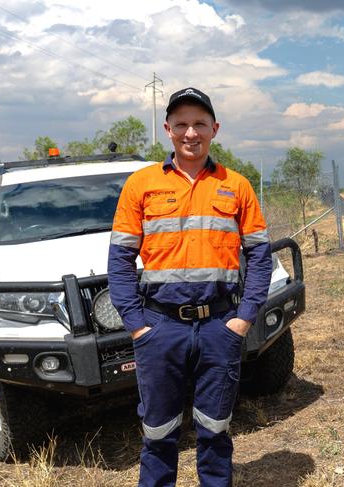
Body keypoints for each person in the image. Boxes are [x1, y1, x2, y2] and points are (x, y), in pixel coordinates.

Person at [107, 87, 273, 487]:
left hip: (219, 326)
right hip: (160, 328)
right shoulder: (140, 185)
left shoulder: (237, 185)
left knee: (215, 428)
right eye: (181, 124)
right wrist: (136, 324)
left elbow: (261, 256)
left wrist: (244, 319)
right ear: (168, 129)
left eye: (199, 123)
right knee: (159, 431)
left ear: (214, 129)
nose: (190, 132)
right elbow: (119, 260)